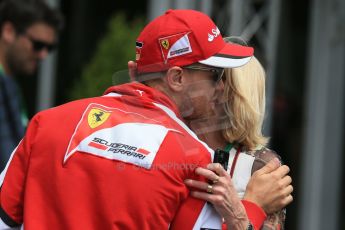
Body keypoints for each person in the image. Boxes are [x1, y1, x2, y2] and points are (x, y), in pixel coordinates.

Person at [0, 9, 290, 229]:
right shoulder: (194, 160)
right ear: (176, 78)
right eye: (216, 76)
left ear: (135, 71)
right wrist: (250, 209)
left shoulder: (48, 123)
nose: (222, 87)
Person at [185, 38, 292, 229]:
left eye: (206, 74)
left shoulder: (261, 166)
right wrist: (252, 206)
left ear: (225, 90)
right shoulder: (170, 141)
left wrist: (246, 209)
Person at [0, 0, 63, 170]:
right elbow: (8, 162)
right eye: (38, 45)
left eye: (49, 48)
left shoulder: (10, 82)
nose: (43, 55)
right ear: (8, 32)